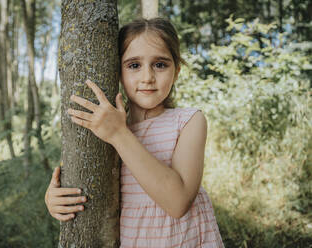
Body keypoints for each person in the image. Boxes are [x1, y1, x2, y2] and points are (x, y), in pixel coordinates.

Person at [45, 18, 224, 247]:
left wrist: (119, 135)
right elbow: (80, 180)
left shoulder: (189, 121)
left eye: (160, 64)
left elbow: (178, 202)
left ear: (176, 71)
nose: (147, 77)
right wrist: (53, 199)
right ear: (118, 72)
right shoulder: (107, 126)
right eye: (134, 65)